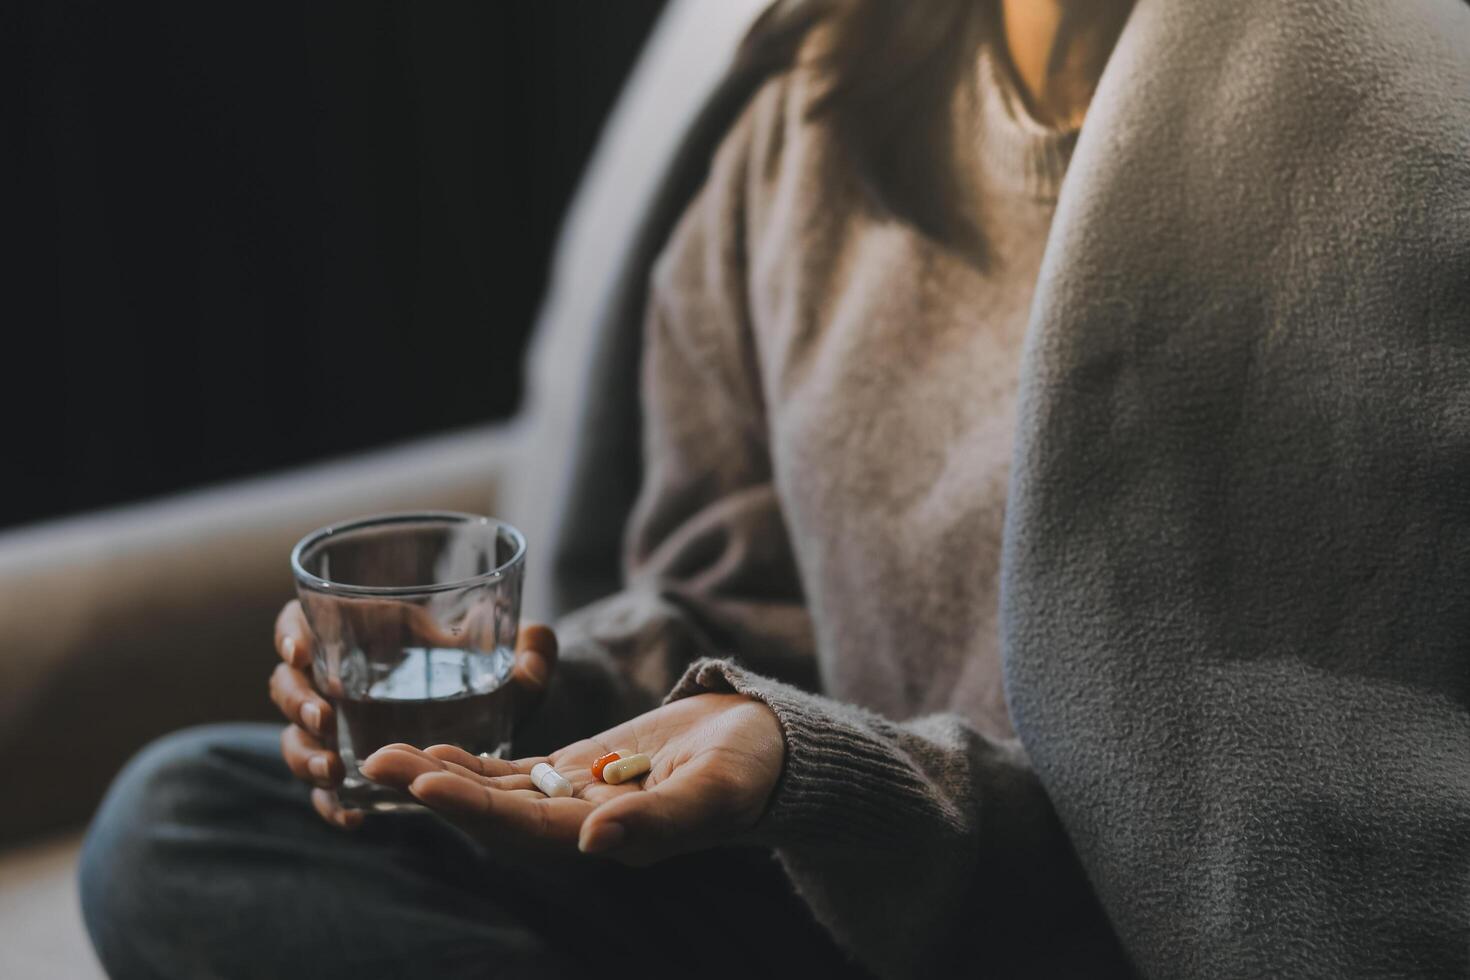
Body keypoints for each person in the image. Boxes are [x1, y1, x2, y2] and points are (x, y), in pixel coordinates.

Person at [79, 0, 1470, 977]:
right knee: (188, 819)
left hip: (1090, 937)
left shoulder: (1382, 149)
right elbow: (730, 612)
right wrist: (538, 698)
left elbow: (1269, 855)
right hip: (829, 891)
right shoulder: (809, 118)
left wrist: (828, 779)